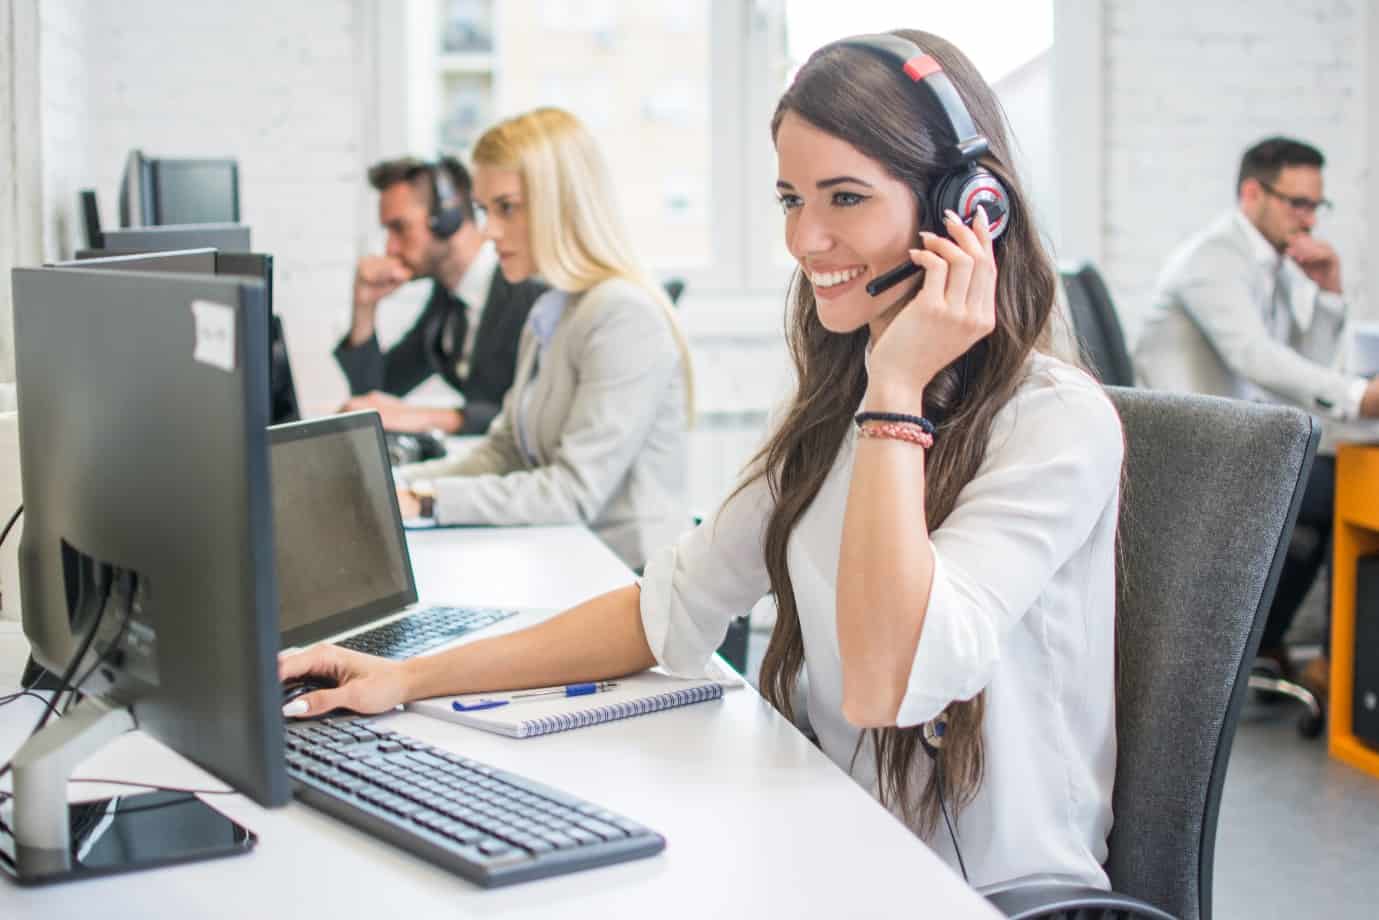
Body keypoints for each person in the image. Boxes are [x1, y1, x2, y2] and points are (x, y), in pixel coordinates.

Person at [284, 32, 1122, 890]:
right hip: (833, 841)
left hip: (974, 890)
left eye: (845, 198)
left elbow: (886, 687)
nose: (806, 239)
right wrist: (410, 677)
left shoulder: (1052, 423)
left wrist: (898, 392)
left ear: (968, 209)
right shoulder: (836, 405)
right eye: (791, 199)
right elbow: (674, 605)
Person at [392, 108, 694, 572]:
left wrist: (424, 499)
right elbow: (505, 450)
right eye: (484, 210)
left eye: (506, 208)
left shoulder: (622, 315)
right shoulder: (551, 309)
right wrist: (395, 485)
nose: (490, 231)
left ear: (561, 204)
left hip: (633, 585)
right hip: (570, 565)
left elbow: (571, 492)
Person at [1135, 137, 1371, 701]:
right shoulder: (1214, 259)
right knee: (1342, 486)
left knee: (1330, 492)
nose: (1309, 219)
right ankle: (1339, 669)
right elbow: (1256, 360)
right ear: (1252, 193)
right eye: (1297, 203)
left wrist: (1329, 295)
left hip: (1238, 447)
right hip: (1196, 456)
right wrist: (1360, 396)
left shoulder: (1277, 260)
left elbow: (1303, 374)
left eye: (1317, 206)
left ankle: (1265, 645)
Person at [335, 156, 547, 434]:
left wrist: (433, 418)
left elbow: (542, 415)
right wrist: (364, 306)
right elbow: (375, 396)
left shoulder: (531, 290)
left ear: (448, 218)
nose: (390, 248)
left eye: (400, 228)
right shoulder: (448, 302)